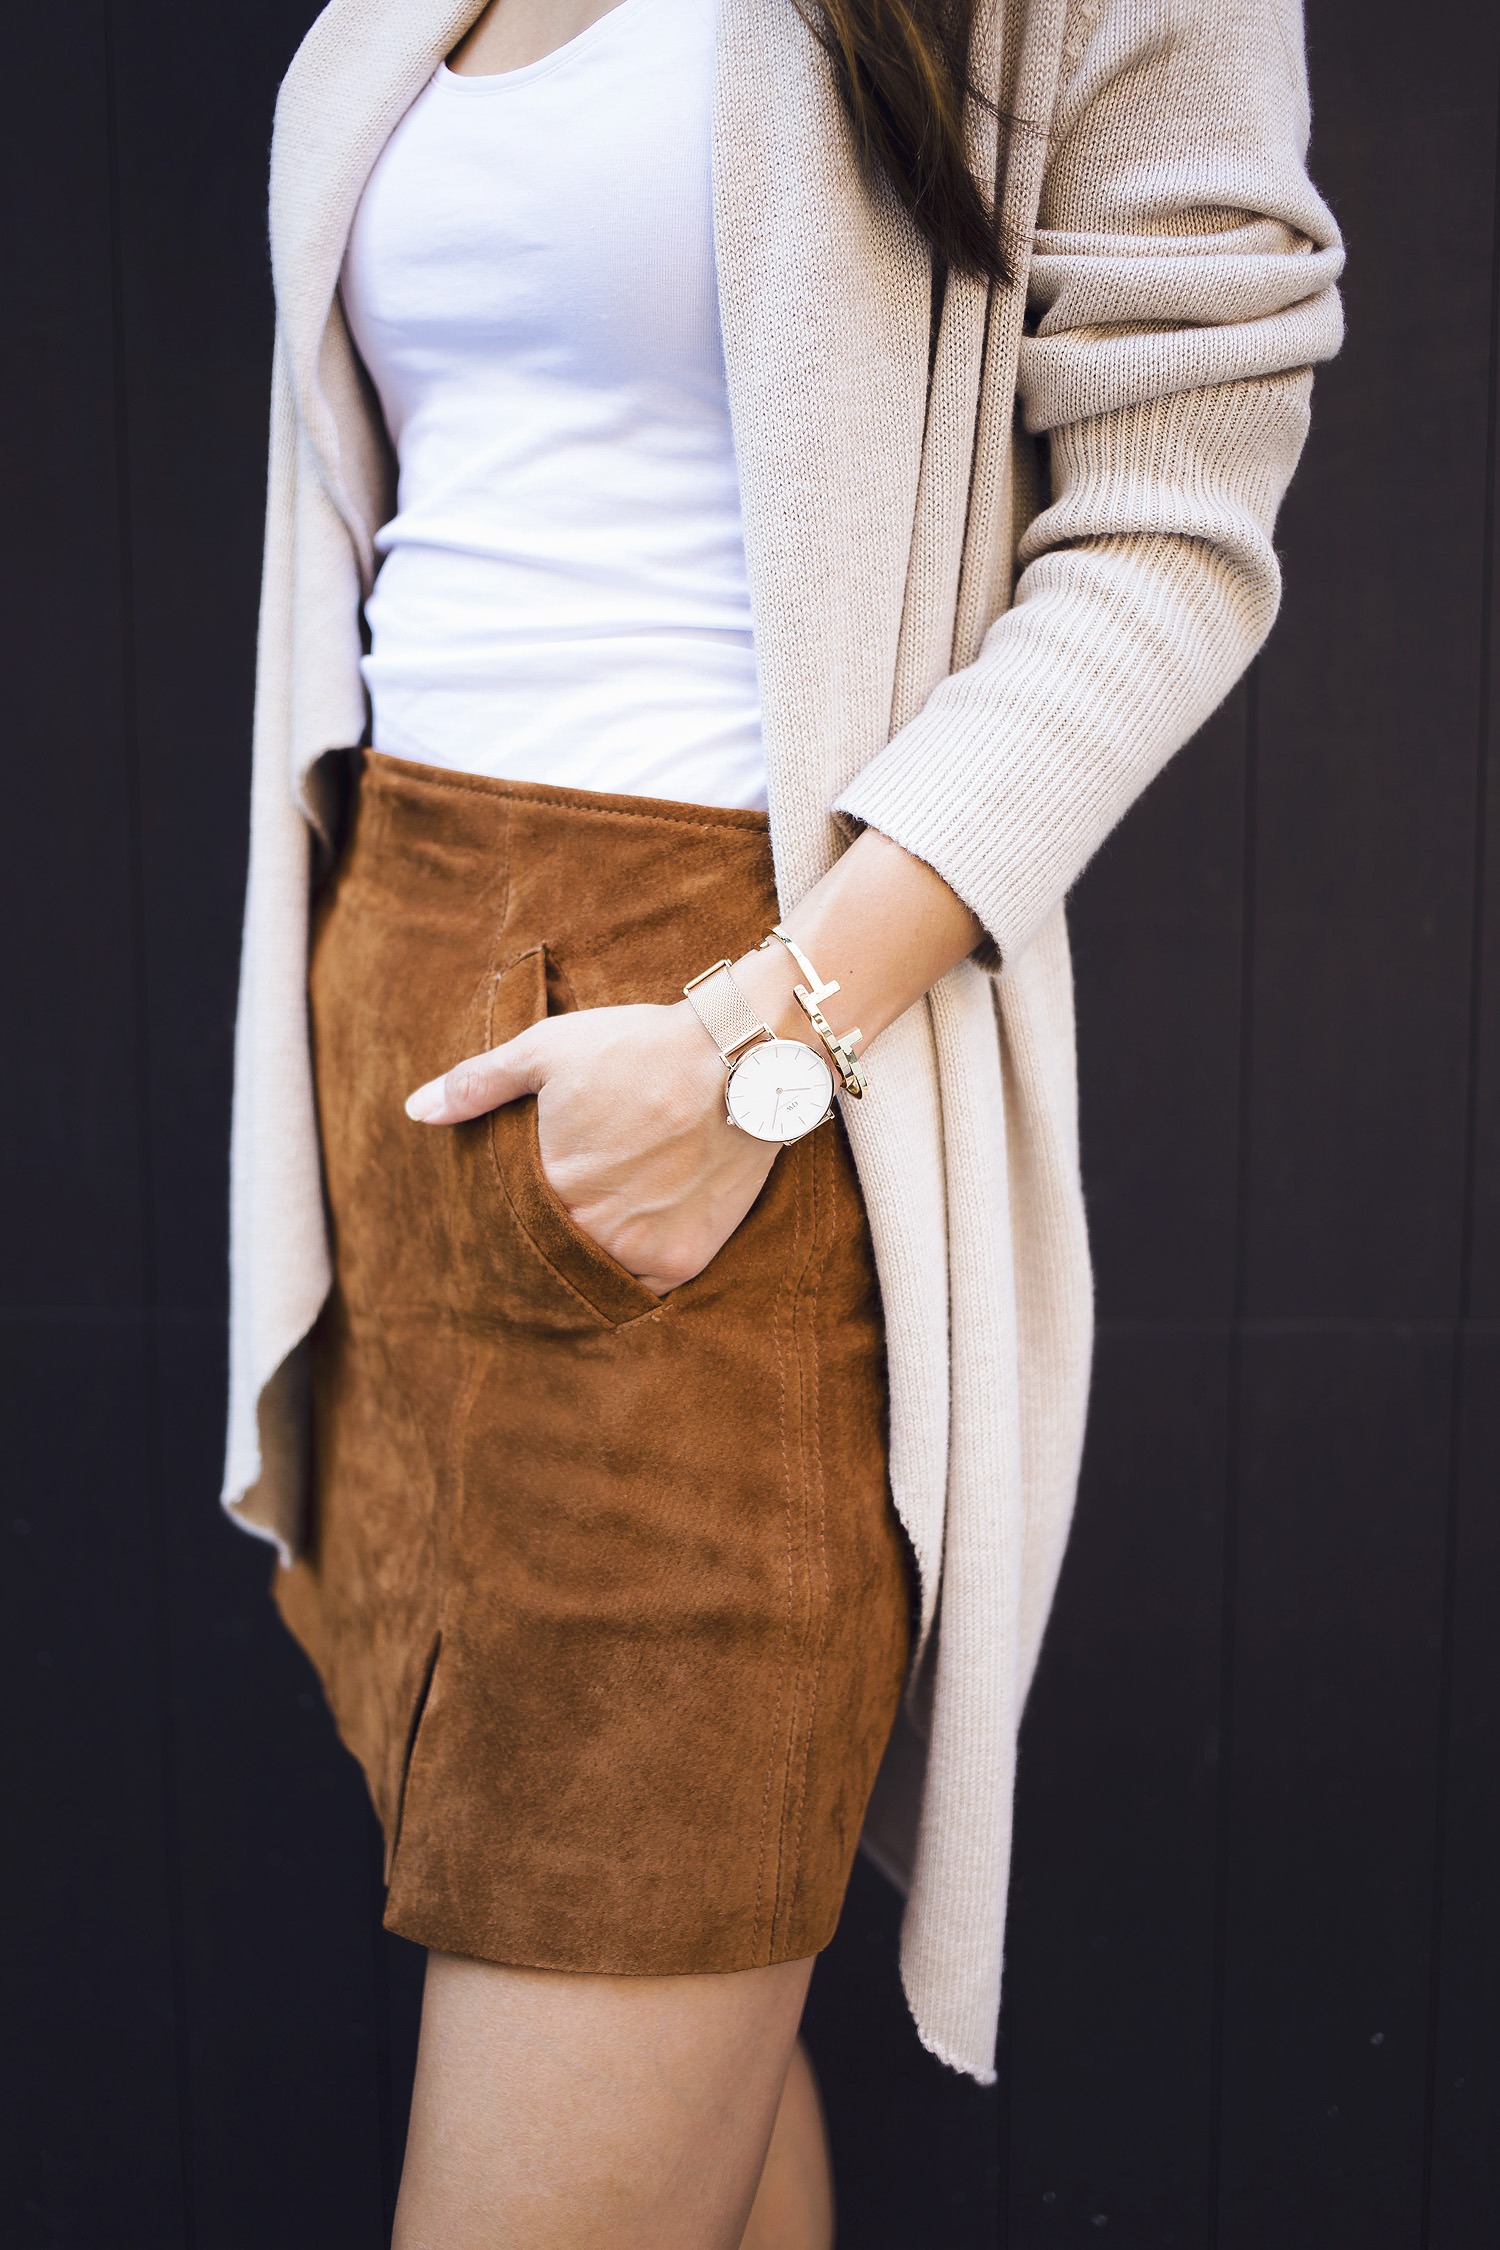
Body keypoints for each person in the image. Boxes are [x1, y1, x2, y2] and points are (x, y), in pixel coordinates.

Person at [223, 0, 1342, 2238]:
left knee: (605, 2029)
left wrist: (764, 1041)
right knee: (681, 2081)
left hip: (724, 1084)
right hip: (413, 1066)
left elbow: (1174, 523)